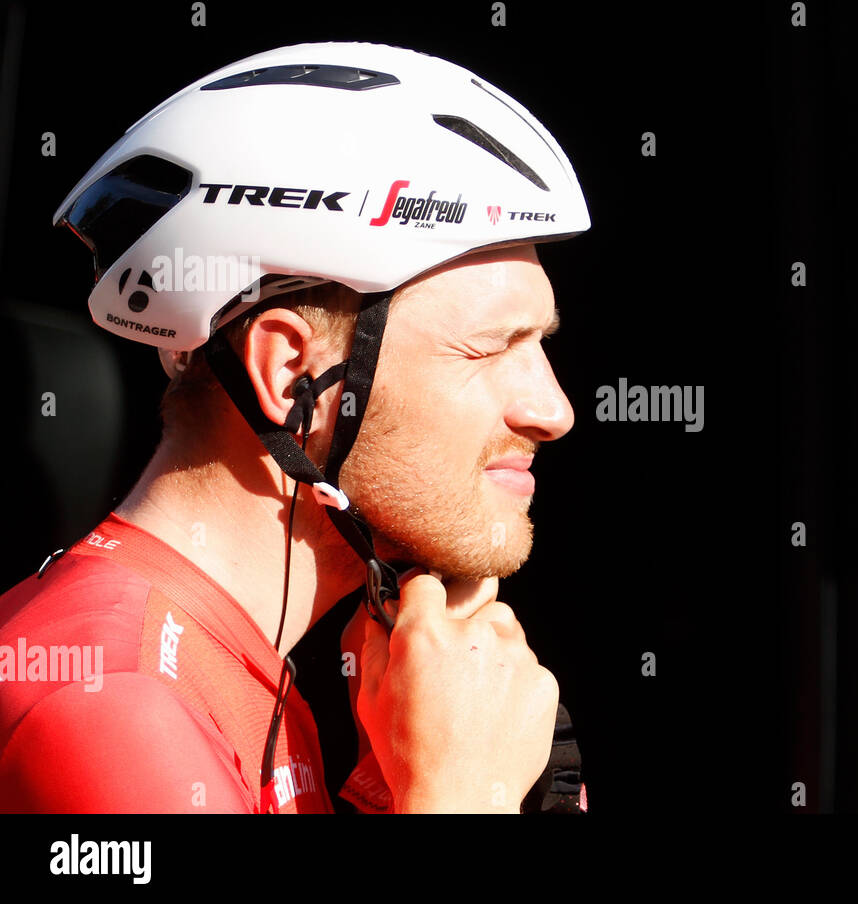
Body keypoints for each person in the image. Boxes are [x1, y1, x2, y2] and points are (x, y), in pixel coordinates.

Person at [0, 42, 590, 813]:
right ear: (291, 377)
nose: (555, 411)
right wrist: (458, 794)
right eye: (487, 348)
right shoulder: (108, 704)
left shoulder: (237, 672)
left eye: (539, 347)